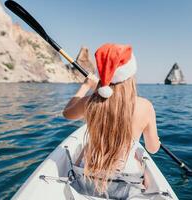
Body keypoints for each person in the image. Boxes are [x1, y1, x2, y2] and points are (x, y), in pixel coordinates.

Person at [62, 43, 160, 196]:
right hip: (126, 179)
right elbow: (153, 149)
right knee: (139, 161)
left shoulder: (91, 103)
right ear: (130, 75)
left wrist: (85, 86)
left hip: (87, 174)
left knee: (85, 148)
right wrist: (157, 141)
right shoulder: (145, 106)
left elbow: (67, 113)